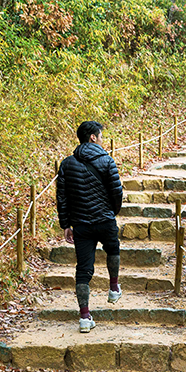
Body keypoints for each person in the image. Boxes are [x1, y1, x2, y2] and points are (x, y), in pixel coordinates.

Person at [56, 121, 124, 333]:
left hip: (81, 224)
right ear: (93, 137)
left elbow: (62, 198)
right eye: (101, 136)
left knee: (83, 269)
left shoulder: (67, 164)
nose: (102, 140)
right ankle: (113, 288)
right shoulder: (107, 160)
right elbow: (117, 192)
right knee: (113, 249)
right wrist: (112, 212)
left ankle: (84, 317)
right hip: (105, 220)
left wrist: (66, 224)